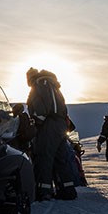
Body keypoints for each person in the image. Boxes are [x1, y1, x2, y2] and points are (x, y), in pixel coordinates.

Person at [26, 67, 77, 201]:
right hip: (60, 125)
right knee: (61, 159)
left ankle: (43, 191)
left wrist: (36, 124)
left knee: (45, 157)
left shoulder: (38, 86)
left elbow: (40, 109)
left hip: (48, 125)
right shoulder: (54, 86)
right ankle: (67, 190)